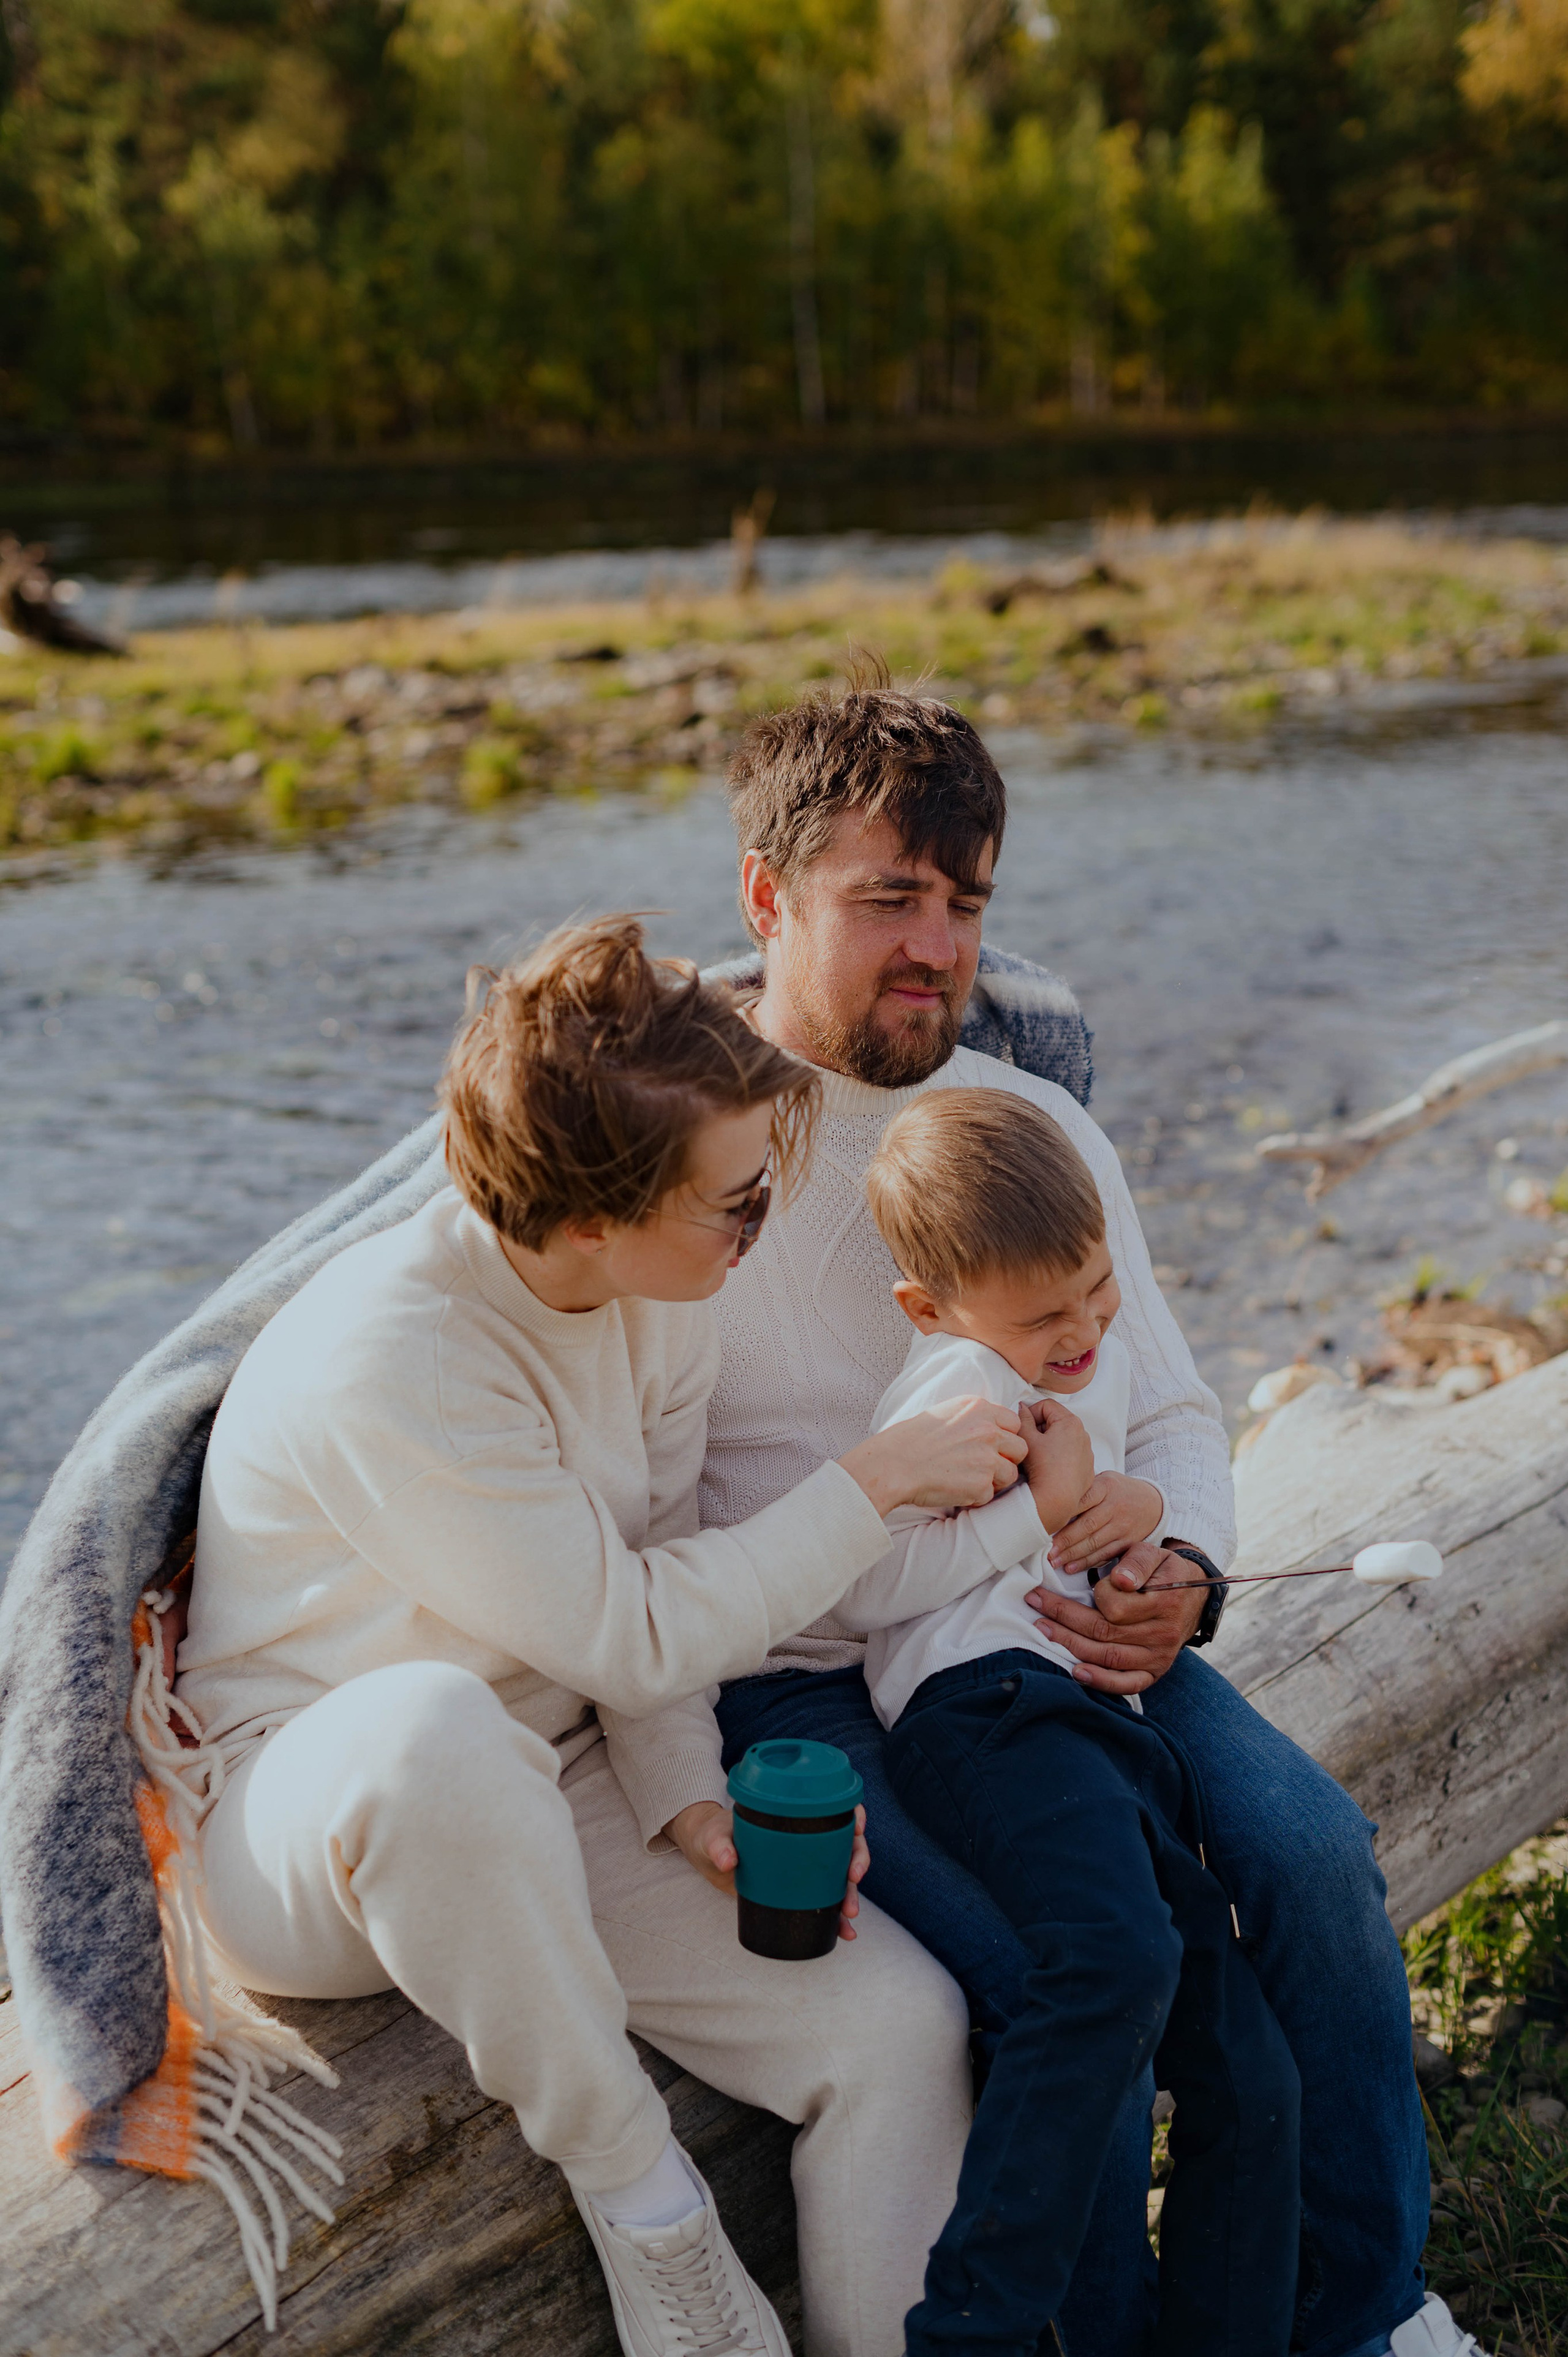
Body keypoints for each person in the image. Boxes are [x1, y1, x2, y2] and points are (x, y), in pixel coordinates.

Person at [630, 684, 1447, 2357]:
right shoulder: (689, 1164)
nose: (941, 946)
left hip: (1045, 1627)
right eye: (892, 899)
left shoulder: (1037, 1126)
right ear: (767, 896)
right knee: (1049, 1976)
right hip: (807, 1682)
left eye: (970, 901)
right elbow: (631, 1526)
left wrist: (1186, 1572)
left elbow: (1171, 1408)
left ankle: (1361, 2316)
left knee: (1306, 1858)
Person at [177, 916, 1030, 2357]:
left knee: (893, 2031)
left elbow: (652, 1581)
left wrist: (685, 1796)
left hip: (556, 1767)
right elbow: (632, 1631)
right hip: (317, 1819)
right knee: (434, 1728)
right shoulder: (402, 1356)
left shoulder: (659, 1289)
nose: (763, 1220)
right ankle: (655, 2224)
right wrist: (875, 1483)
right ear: (588, 1218)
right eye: (737, 1205)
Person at [843, 1085, 1302, 2354]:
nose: (1084, 1326)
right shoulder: (947, 1387)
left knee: (1242, 2059)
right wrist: (1033, 1511)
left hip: (1094, 1723)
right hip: (981, 1714)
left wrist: (1137, 1509)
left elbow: (1135, 1444)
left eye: (1095, 1287)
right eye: (1043, 1313)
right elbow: (867, 1585)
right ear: (930, 1308)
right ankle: (971, 2323)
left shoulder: (1069, 1355)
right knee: (1108, 1964)